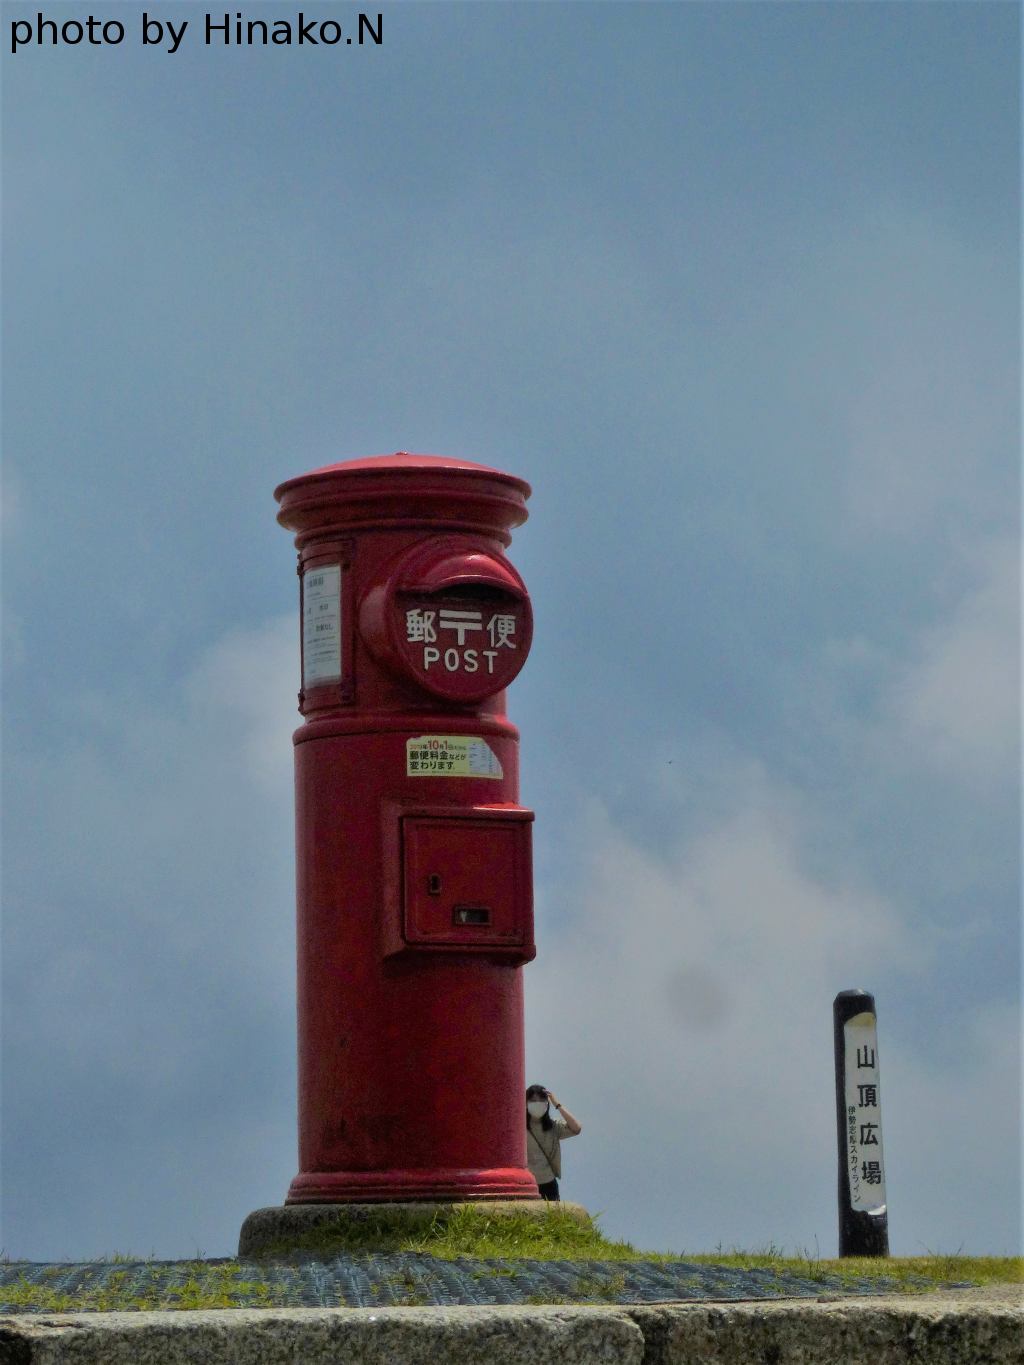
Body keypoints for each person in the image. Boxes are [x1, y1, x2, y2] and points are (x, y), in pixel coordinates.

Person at [525, 1083, 581, 1201]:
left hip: (548, 1182)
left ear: (547, 1104)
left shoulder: (553, 1126)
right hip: (527, 1182)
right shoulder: (519, 1128)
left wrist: (558, 1104)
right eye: (533, 1100)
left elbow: (576, 1128)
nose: (537, 1103)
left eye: (541, 1100)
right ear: (525, 1103)